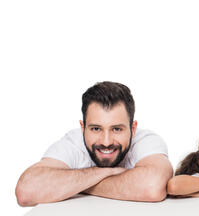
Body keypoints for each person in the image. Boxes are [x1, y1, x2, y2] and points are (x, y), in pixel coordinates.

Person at [15, 81, 173, 206]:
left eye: (116, 129)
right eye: (96, 128)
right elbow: (26, 191)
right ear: (83, 128)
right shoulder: (73, 142)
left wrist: (76, 184)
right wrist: (106, 172)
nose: (106, 142)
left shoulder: (146, 140)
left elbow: (153, 187)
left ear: (133, 129)